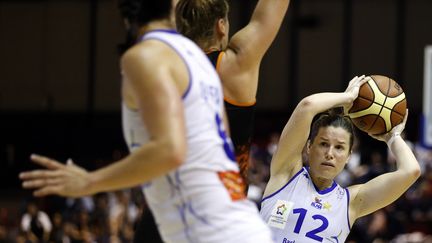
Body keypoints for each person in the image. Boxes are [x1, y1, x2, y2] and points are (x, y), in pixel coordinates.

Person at [19, 0, 274, 242]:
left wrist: (89, 182)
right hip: (230, 222)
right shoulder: (200, 62)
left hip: (206, 227)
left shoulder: (148, 57)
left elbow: (170, 150)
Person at [259, 75, 421, 242]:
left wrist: (392, 136)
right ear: (309, 147)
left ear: (348, 156)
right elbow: (307, 106)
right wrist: (347, 97)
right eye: (323, 144)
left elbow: (411, 171)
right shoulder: (286, 175)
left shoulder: (350, 202)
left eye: (339, 147)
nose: (330, 153)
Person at [175, 0, 291, 187]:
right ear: (221, 25)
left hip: (172, 199)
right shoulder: (234, 65)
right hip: (222, 202)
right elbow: (269, 14)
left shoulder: (163, 68)